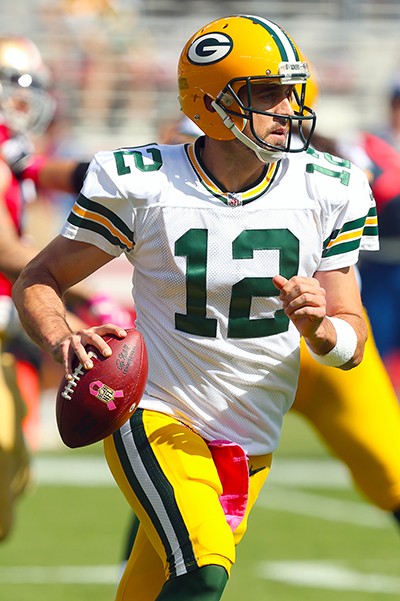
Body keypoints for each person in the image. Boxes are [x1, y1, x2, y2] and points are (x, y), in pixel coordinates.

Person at [12, 15, 378, 601]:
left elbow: (352, 343)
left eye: (292, 91)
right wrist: (62, 338)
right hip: (154, 411)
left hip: (251, 435)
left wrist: (322, 331)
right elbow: (40, 277)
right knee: (205, 567)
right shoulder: (144, 182)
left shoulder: (330, 186)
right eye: (267, 93)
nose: (287, 108)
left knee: (156, 588)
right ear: (210, 102)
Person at [0, 34, 134, 541]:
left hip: (6, 336)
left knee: (14, 475)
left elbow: (57, 173)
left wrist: (133, 174)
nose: (23, 100)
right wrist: (77, 291)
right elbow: (3, 248)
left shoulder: (11, 151)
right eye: (12, 86)